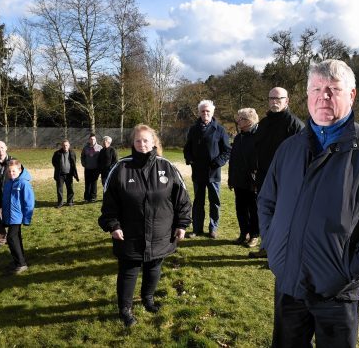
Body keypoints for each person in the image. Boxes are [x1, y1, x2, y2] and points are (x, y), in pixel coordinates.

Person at [258, 59, 359, 347]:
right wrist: (273, 246)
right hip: (289, 283)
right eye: (316, 88)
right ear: (307, 95)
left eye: (333, 89)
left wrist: (349, 268)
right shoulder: (290, 148)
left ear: (352, 95)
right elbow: (267, 201)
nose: (323, 96)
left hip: (337, 291)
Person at [99, 124, 191, 328]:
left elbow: (182, 200)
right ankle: (125, 308)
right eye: (138, 140)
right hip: (129, 233)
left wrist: (182, 224)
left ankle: (148, 298)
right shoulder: (121, 168)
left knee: (154, 266)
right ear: (133, 142)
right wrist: (113, 225)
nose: (142, 144)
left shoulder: (167, 167)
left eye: (146, 140)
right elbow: (109, 203)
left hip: (161, 232)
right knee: (129, 270)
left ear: (154, 143)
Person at [248, 87, 304, 257]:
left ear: (287, 101)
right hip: (265, 178)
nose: (274, 102)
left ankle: (283, 253)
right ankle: (266, 248)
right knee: (265, 215)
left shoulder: (296, 125)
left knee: (285, 218)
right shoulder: (263, 124)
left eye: (278, 99)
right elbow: (256, 150)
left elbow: (303, 156)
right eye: (272, 98)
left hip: (287, 180)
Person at [183, 99, 231, 238]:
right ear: (199, 112)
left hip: (213, 173)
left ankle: (213, 228)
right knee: (198, 202)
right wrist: (190, 159)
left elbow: (227, 151)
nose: (205, 113)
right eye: (202, 111)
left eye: (208, 111)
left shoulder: (220, 130)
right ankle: (197, 229)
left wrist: (217, 163)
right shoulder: (193, 129)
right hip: (198, 172)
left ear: (212, 112)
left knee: (214, 202)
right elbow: (187, 148)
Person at [228, 108, 261, 248]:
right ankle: (243, 233)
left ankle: (254, 235)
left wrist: (256, 178)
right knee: (240, 209)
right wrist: (231, 179)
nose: (238, 121)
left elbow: (261, 160)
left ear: (249, 121)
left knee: (254, 209)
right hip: (238, 180)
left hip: (253, 181)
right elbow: (233, 159)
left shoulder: (260, 136)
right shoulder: (238, 137)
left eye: (241, 118)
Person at [2, 159, 35, 274]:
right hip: (9, 216)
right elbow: (5, 201)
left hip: (18, 216)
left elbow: (29, 202)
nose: (11, 173)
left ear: (20, 170)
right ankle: (20, 259)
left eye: (14, 171)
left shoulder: (23, 183)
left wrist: (27, 218)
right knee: (16, 238)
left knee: (11, 238)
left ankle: (21, 264)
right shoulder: (8, 183)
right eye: (9, 171)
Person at [51, 139, 79, 208]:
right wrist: (58, 168)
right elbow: (53, 162)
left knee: (70, 188)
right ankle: (60, 203)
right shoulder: (57, 153)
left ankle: (70, 202)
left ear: (69, 145)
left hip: (69, 174)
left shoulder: (72, 153)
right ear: (62, 146)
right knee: (59, 189)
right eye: (64, 145)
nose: (65, 147)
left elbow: (73, 163)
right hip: (60, 175)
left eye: (66, 145)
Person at [80, 133, 102, 202]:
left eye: (94, 139)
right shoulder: (85, 148)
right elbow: (82, 156)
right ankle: (87, 197)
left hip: (96, 169)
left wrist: (99, 166)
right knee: (87, 183)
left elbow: (102, 158)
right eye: (91, 139)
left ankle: (93, 197)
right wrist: (84, 164)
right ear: (89, 140)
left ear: (96, 140)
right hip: (87, 168)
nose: (92, 140)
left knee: (94, 183)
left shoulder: (100, 148)